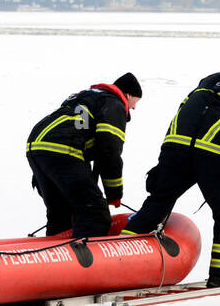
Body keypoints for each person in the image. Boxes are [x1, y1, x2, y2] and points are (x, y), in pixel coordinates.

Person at [122, 63, 220, 287]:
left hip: (176, 147)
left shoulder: (213, 78)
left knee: (158, 203)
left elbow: (183, 111)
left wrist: (163, 162)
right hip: (214, 153)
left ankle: (118, 252)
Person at [26, 73, 142, 238]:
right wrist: (114, 193)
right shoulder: (114, 103)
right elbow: (108, 149)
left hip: (37, 146)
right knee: (95, 213)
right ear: (128, 95)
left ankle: (54, 257)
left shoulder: (86, 98)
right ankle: (83, 260)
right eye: (135, 102)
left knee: (61, 212)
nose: (134, 108)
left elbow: (82, 144)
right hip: (62, 149)